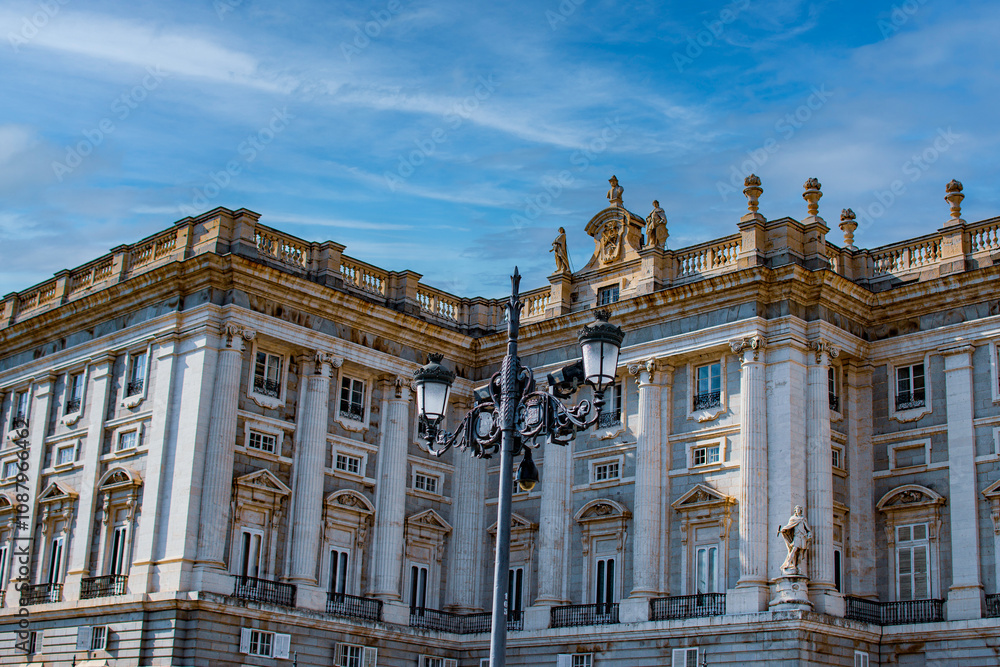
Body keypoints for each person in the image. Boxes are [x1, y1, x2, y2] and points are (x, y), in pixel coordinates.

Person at [778, 505, 812, 575]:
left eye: (799, 509)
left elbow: (807, 528)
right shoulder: (793, 518)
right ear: (795, 511)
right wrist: (783, 529)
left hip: (803, 536)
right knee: (794, 549)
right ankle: (788, 563)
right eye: (797, 509)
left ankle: (798, 566)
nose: (798, 510)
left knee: (800, 552)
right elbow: (789, 526)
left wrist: (809, 533)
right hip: (797, 536)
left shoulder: (803, 518)